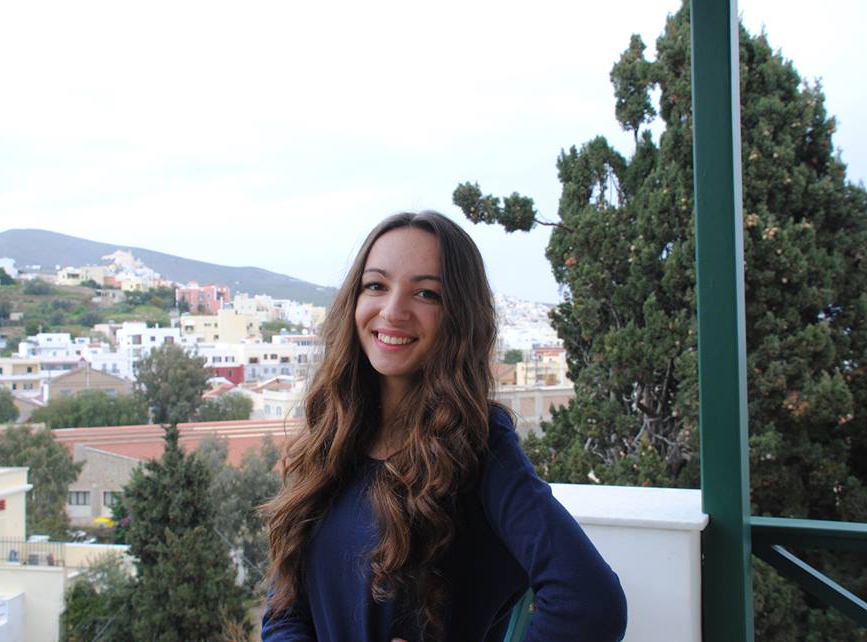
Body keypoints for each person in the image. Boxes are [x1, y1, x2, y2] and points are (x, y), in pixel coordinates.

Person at [262, 211, 627, 642]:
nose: (393, 311)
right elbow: (284, 611)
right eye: (376, 285)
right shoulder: (332, 434)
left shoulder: (479, 446)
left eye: (426, 293)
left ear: (459, 315)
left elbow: (590, 602)